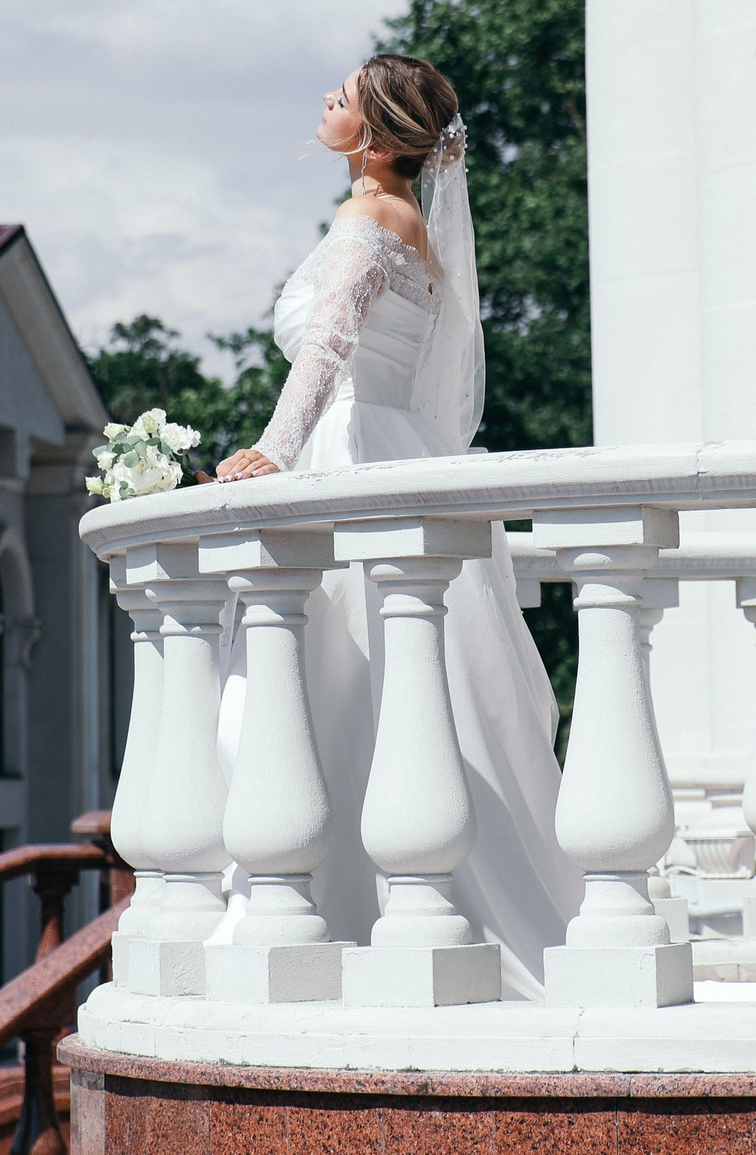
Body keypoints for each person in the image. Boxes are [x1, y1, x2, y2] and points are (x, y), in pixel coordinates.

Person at [215, 52, 579, 997]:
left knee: (348, 673)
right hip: (403, 446)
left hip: (351, 451)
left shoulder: (367, 215)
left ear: (376, 140)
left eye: (345, 94)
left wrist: (275, 453)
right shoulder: (414, 224)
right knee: (402, 680)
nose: (326, 96)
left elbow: (330, 343)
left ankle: (348, 914)